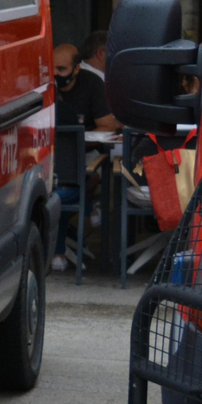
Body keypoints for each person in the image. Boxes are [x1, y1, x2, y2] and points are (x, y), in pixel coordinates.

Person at [52, 42, 117, 271]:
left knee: (62, 193)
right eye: (52, 69)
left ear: (76, 68)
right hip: (51, 157)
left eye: (61, 69)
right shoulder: (44, 86)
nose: (55, 75)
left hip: (86, 152)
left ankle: (58, 249)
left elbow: (109, 126)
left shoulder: (92, 84)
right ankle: (88, 210)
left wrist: (78, 140)